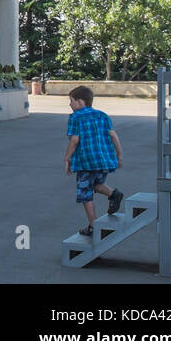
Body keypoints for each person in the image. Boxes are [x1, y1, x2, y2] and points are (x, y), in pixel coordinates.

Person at [64, 85, 123, 237]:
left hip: (86, 162)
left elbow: (75, 140)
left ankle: (94, 226)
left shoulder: (75, 117)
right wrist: (119, 154)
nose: (69, 104)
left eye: (71, 101)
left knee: (85, 193)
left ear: (80, 102)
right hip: (103, 161)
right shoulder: (102, 115)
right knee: (96, 184)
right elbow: (113, 135)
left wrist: (67, 157)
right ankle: (113, 194)